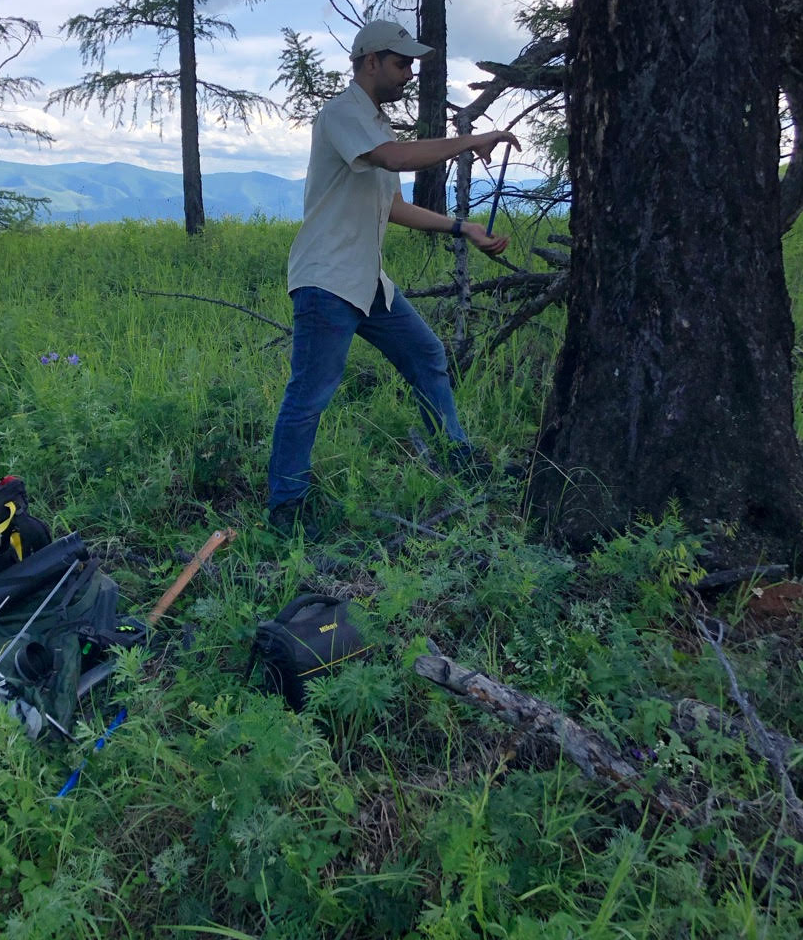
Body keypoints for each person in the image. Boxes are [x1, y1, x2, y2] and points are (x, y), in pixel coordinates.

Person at [267, 19, 520, 538]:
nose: (409, 73)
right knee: (310, 393)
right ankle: (286, 508)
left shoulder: (375, 125)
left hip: (366, 280)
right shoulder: (342, 113)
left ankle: (456, 459)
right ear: (370, 61)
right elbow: (393, 158)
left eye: (411, 63)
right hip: (327, 280)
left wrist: (461, 226)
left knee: (427, 354)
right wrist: (470, 139)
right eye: (401, 62)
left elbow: (396, 206)